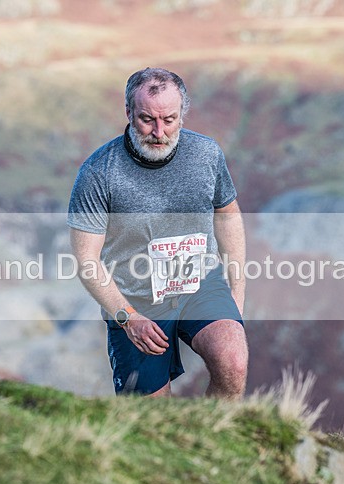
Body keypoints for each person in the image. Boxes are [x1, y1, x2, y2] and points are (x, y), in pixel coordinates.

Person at [68, 67, 247, 398]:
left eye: (169, 119)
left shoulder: (206, 154)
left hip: (199, 284)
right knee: (150, 420)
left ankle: (213, 442)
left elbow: (227, 216)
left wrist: (237, 292)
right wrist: (127, 317)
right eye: (147, 119)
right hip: (134, 297)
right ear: (128, 113)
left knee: (233, 362)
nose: (159, 131)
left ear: (183, 115)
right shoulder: (97, 173)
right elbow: (86, 260)